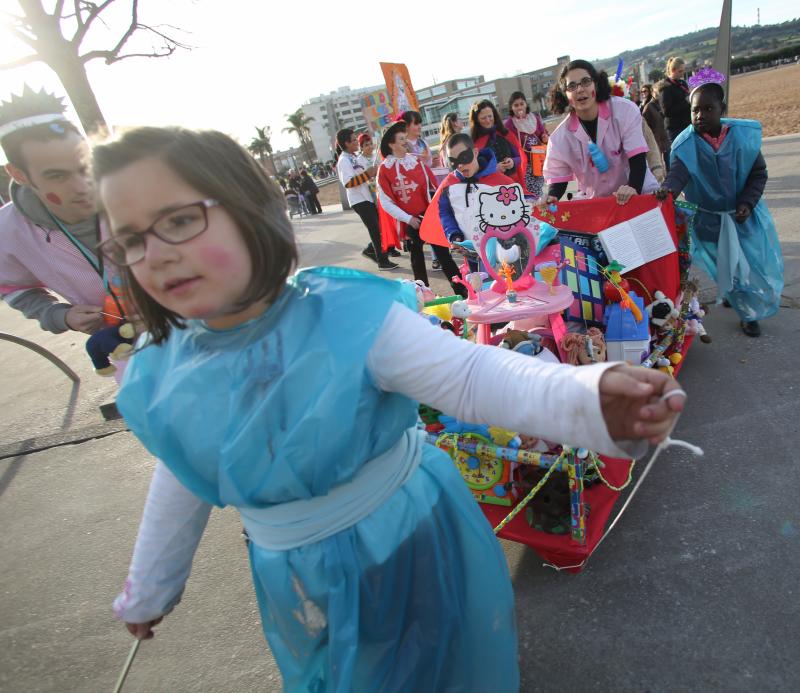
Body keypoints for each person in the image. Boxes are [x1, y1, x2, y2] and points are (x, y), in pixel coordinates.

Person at [95, 125, 684, 691]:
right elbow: (183, 469)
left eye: (178, 220)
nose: (157, 254)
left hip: (407, 536)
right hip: (298, 575)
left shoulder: (344, 316)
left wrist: (589, 399)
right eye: (130, 240)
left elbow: (470, 376)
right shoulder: (165, 363)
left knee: (436, 665)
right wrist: (152, 584)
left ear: (248, 209)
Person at [656, 68, 783, 338]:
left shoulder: (742, 137)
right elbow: (678, 174)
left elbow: (758, 173)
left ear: (721, 108)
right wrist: (667, 190)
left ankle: (748, 308)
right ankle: (741, 305)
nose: (700, 116)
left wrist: (747, 203)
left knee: (749, 262)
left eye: (708, 109)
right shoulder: (685, 144)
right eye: (695, 110)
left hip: (743, 216)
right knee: (726, 263)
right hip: (710, 220)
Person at [0, 86, 113, 335]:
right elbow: (13, 289)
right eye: (57, 176)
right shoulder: (7, 232)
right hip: (127, 350)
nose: (83, 186)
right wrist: (58, 315)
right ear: (18, 174)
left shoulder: (139, 192)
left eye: (85, 165)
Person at [543, 59, 659, 204]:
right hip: (599, 206)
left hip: (639, 194)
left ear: (596, 84)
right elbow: (558, 182)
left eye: (585, 81)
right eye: (571, 86)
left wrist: (632, 188)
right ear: (564, 94)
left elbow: (637, 160)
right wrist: (550, 198)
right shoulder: (559, 138)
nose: (579, 89)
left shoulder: (625, 111)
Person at [375, 122, 465, 296]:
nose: (405, 141)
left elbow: (432, 186)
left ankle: (461, 290)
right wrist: (409, 219)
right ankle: (424, 296)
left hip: (427, 216)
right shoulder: (384, 169)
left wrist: (434, 212)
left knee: (443, 254)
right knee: (417, 260)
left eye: (404, 138)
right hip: (408, 220)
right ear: (391, 144)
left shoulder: (415, 161)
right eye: (401, 139)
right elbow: (385, 202)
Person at [420, 132, 515, 251]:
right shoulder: (449, 185)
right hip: (470, 252)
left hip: (503, 251)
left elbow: (517, 215)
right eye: (453, 161)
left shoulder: (502, 183)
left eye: (464, 158)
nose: (460, 165)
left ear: (475, 152)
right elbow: (445, 212)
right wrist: (454, 235)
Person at [335, 128, 398, 270]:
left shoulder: (352, 157)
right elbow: (348, 183)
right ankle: (383, 261)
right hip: (358, 200)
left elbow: (362, 176)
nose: (356, 142)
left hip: (366, 198)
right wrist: (366, 174)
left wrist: (370, 173)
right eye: (353, 140)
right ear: (346, 143)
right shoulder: (344, 161)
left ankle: (371, 250)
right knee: (375, 230)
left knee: (378, 228)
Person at [469, 99, 528, 193]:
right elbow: (474, 172)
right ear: (476, 120)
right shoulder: (474, 143)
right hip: (492, 190)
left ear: (494, 115)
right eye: (483, 118)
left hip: (514, 184)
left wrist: (513, 161)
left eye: (490, 116)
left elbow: (520, 157)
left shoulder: (506, 134)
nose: (488, 120)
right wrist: (493, 169)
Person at [503, 91, 549, 201]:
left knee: (539, 187)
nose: (519, 107)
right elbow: (508, 143)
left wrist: (545, 137)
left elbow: (543, 133)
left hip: (538, 159)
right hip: (524, 163)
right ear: (511, 107)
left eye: (521, 104)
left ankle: (540, 211)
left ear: (526, 104)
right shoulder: (509, 124)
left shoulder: (534, 118)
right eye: (516, 105)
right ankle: (535, 212)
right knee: (529, 191)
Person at [659, 57, 691, 143]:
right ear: (673, 70)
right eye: (680, 71)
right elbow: (666, 111)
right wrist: (686, 102)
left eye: (683, 70)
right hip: (675, 129)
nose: (682, 74)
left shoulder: (682, 83)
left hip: (688, 125)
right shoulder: (665, 86)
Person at [640, 83, 671, 172]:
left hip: (665, 138)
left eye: (661, 92)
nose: (659, 94)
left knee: (668, 164)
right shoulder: (648, 107)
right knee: (659, 166)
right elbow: (644, 125)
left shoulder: (663, 104)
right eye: (657, 92)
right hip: (655, 140)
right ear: (653, 92)